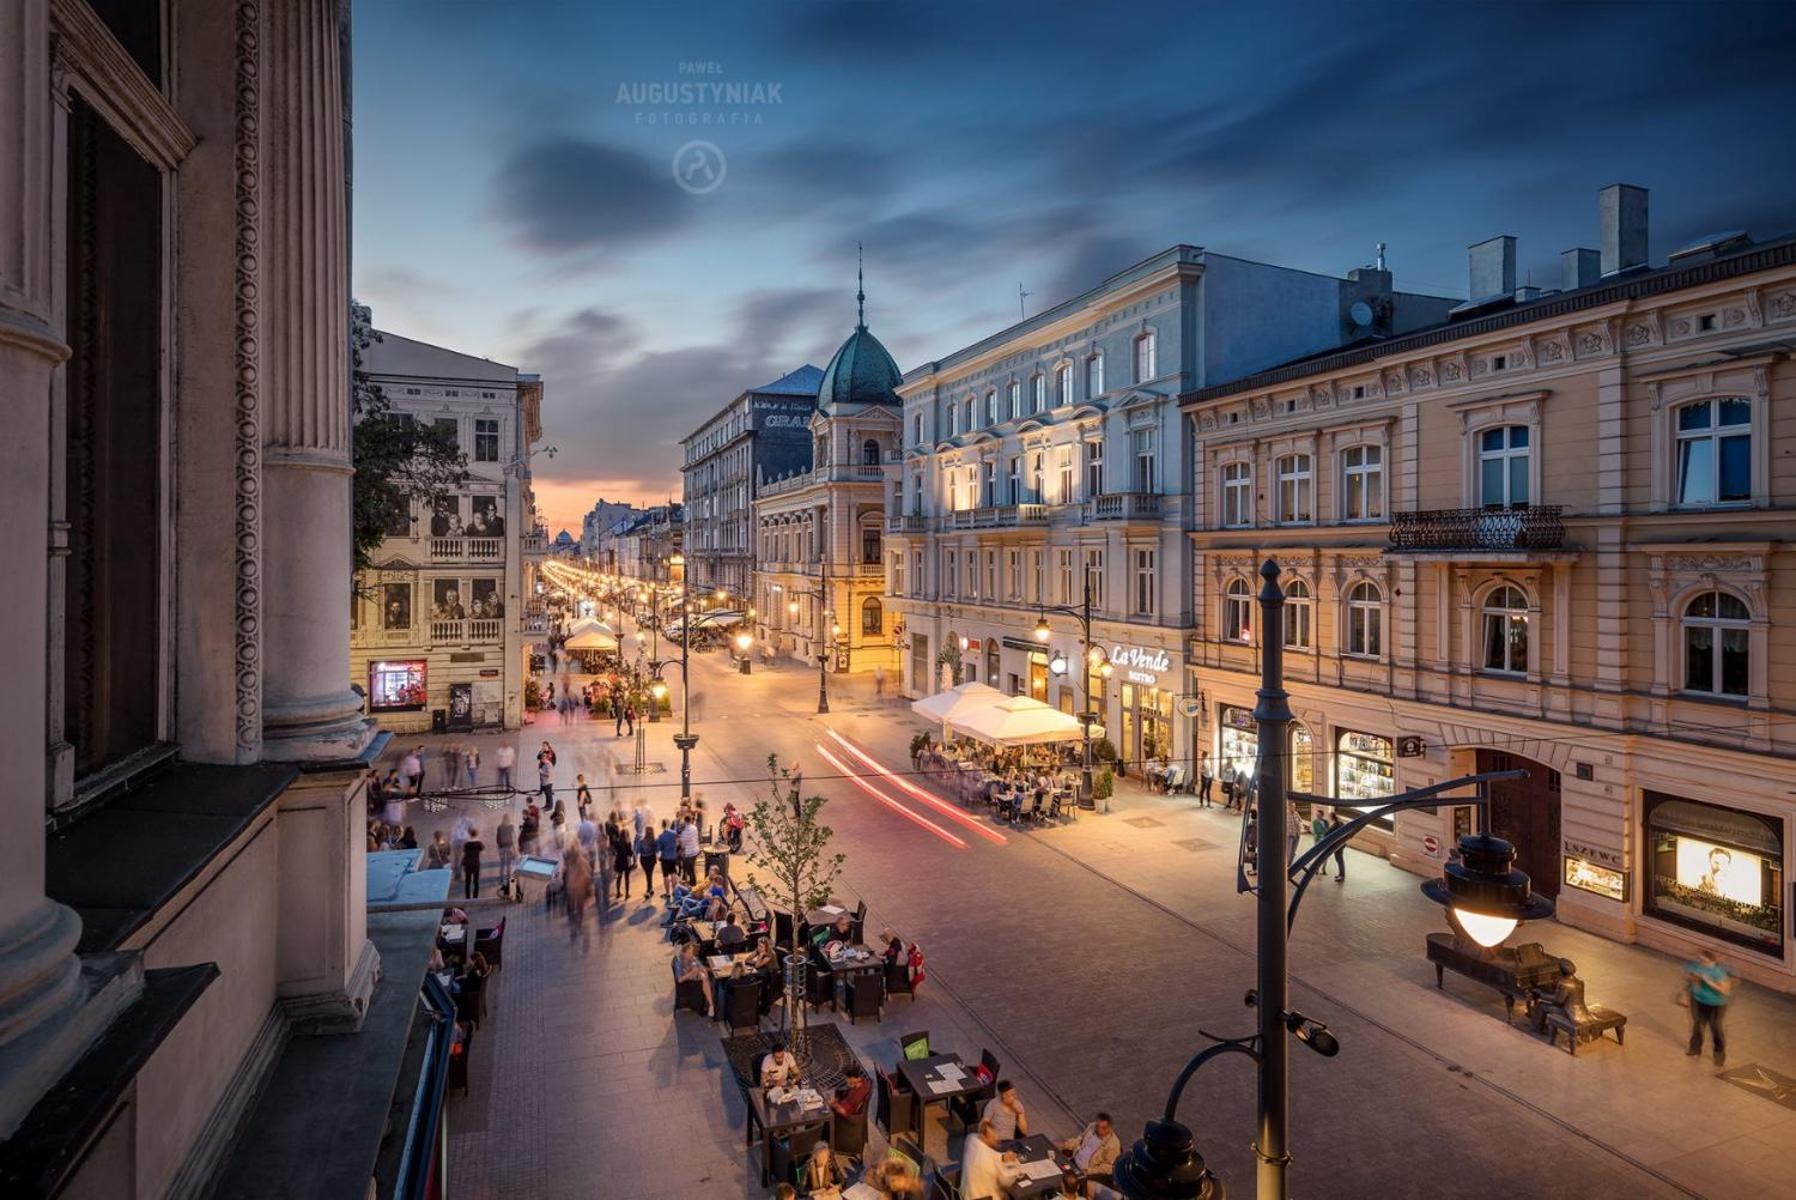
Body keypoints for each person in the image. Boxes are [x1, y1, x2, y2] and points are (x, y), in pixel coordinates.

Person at [1685, 948, 1734, 1064]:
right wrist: (1692, 982)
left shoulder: (1718, 973)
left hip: (1716, 1004)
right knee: (1698, 1024)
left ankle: (1719, 1052)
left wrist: (1708, 981)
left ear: (1710, 960)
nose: (1700, 961)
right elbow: (1691, 980)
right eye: (1700, 958)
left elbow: (1725, 991)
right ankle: (1695, 1048)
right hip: (1698, 1000)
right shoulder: (1698, 967)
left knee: (1715, 1027)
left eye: (1703, 959)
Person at [1060, 1111, 1122, 1183]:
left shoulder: (1113, 1144)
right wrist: (1067, 1144)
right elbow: (1080, 1139)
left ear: (1110, 1128)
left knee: (1065, 1181)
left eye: (1103, 1128)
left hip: (1085, 1172)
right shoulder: (1092, 1127)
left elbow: (1109, 1167)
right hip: (1073, 1160)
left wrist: (1089, 1171)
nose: (1099, 1130)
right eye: (1097, 1126)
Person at [611, 813, 636, 899]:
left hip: (619, 861)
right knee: (627, 878)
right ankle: (627, 894)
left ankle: (618, 892)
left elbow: (614, 849)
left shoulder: (618, 842)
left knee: (619, 876)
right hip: (626, 861)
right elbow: (630, 853)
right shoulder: (628, 843)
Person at [656, 820, 680, 899]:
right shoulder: (674, 833)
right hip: (673, 856)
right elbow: (678, 843)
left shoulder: (660, 836)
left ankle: (667, 893)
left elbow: (658, 849)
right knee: (673, 873)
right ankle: (674, 891)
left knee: (666, 876)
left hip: (665, 858)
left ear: (662, 826)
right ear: (669, 824)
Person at [460, 827, 484, 899]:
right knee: (476, 881)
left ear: (470, 834)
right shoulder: (479, 843)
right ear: (476, 834)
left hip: (468, 863)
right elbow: (482, 853)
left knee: (467, 882)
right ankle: (475, 897)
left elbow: (464, 852)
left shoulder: (466, 844)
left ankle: (467, 897)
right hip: (476, 863)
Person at [495, 811, 517, 887]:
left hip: (501, 847)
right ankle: (508, 879)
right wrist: (514, 848)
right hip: (509, 846)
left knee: (502, 864)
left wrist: (498, 847)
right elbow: (513, 837)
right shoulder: (511, 827)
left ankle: (501, 879)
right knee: (508, 864)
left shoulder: (499, 827)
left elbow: (497, 838)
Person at [636, 824, 658, 900]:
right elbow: (657, 850)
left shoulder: (641, 841)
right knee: (650, 874)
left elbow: (637, 851)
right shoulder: (654, 840)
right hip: (651, 858)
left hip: (644, 859)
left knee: (647, 874)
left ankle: (649, 889)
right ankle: (650, 888)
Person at [677, 814, 701, 884]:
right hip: (695, 851)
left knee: (690, 871)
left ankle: (692, 884)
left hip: (688, 853)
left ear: (685, 821)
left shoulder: (684, 832)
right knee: (692, 868)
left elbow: (682, 845)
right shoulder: (694, 827)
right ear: (691, 820)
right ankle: (687, 879)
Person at [1327, 810, 1347, 882]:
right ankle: (1341, 874)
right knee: (1338, 859)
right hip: (1340, 844)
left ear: (1332, 817)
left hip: (1339, 845)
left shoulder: (1336, 825)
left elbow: (1329, 833)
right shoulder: (1339, 823)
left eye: (1330, 816)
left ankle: (1342, 875)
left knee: (1339, 859)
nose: (1329, 817)